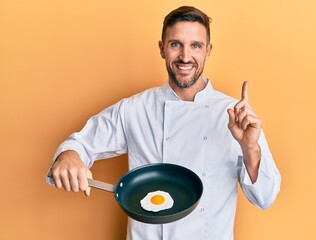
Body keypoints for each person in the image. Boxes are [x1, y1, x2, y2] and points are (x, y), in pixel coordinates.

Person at [46, 5, 281, 240]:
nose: (185, 57)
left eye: (195, 46)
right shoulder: (134, 109)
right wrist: (70, 156)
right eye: (175, 44)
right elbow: (78, 145)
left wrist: (250, 148)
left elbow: (265, 197)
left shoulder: (236, 115)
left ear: (208, 51)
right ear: (162, 48)